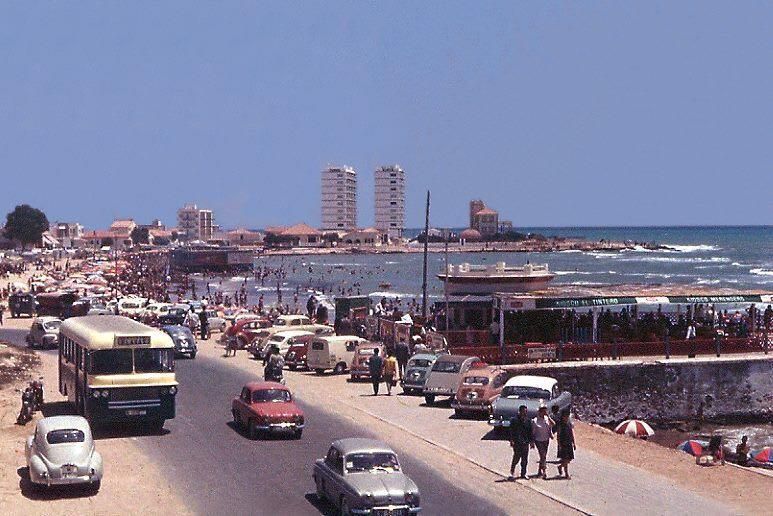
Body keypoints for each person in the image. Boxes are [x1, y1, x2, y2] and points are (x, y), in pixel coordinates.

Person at [508, 405, 534, 480]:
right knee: (516, 457)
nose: (525, 413)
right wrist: (511, 440)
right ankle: (512, 471)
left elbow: (530, 432)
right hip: (517, 442)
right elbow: (511, 431)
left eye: (526, 411)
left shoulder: (528, 421)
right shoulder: (514, 420)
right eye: (523, 411)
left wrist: (531, 442)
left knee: (525, 459)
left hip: (525, 442)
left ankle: (523, 473)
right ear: (520, 411)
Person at [532, 405, 554, 479]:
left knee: (543, 456)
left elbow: (552, 424)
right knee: (543, 455)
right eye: (543, 411)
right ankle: (544, 472)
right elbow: (533, 432)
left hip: (546, 439)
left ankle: (539, 471)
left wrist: (548, 417)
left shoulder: (547, 419)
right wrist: (532, 442)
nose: (545, 413)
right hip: (538, 440)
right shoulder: (535, 421)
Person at [556, 410, 575, 479]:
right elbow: (558, 435)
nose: (566, 417)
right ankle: (566, 474)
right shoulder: (560, 425)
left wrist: (574, 443)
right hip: (563, 443)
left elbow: (571, 433)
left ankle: (560, 466)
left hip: (569, 443)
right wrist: (559, 445)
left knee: (569, 459)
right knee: (565, 459)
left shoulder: (569, 424)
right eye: (565, 416)